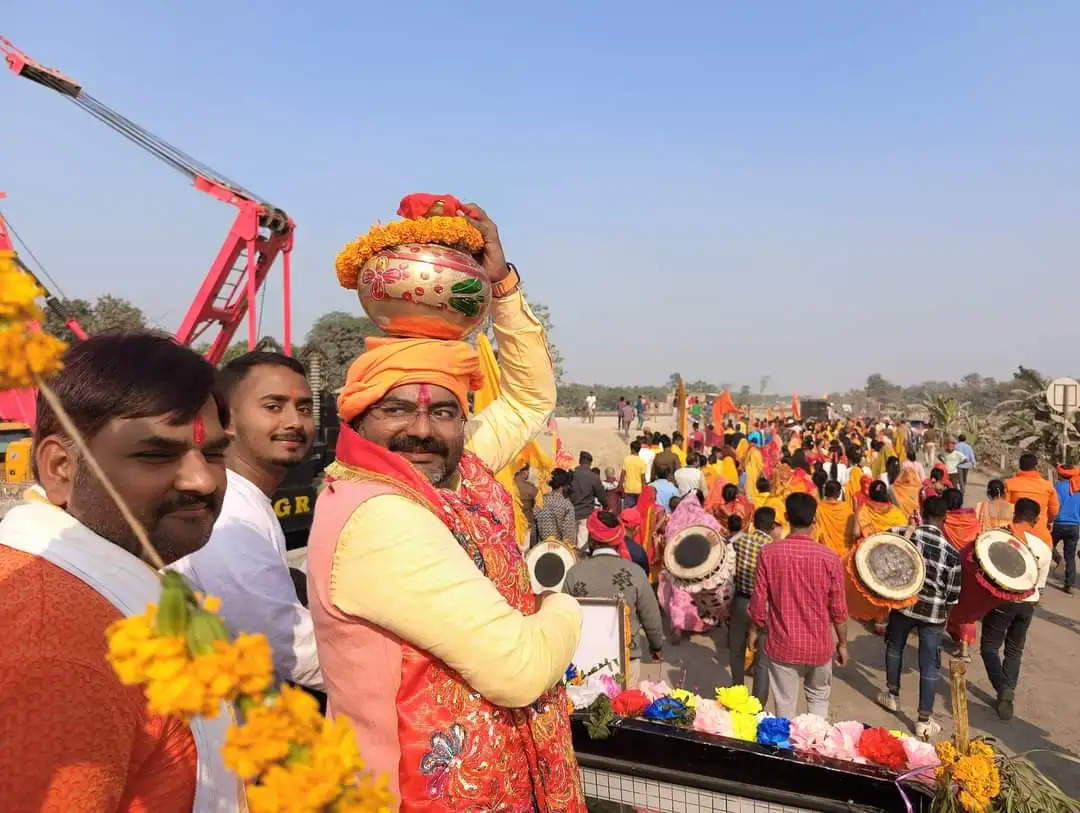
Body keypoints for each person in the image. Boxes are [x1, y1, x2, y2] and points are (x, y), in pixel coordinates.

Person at [305, 207, 585, 809]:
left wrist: (502, 287)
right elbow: (517, 667)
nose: (421, 430)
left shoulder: (455, 470)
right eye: (397, 409)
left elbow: (531, 397)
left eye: (443, 412)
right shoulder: (378, 513)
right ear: (356, 417)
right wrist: (562, 606)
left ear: (462, 420)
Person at [0, 332, 243, 811]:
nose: (202, 480)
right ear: (60, 467)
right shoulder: (59, 651)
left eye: (213, 454)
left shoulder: (98, 592)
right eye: (155, 455)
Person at [172, 351, 322, 690]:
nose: (294, 422)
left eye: (304, 408)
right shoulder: (230, 511)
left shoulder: (246, 499)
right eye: (273, 407)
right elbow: (288, 647)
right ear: (226, 421)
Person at [748, 493, 848, 719]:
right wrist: (842, 644)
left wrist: (754, 630)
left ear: (785, 517)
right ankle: (814, 749)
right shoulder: (830, 558)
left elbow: (758, 601)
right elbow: (839, 610)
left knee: (784, 706)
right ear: (815, 521)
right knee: (819, 700)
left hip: (783, 644)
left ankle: (787, 752)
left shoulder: (769, 553)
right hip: (820, 646)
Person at [876, 496, 960, 739]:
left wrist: (910, 526)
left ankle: (892, 695)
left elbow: (883, 544)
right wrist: (944, 621)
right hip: (934, 614)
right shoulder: (951, 553)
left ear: (922, 512)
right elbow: (952, 595)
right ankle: (923, 719)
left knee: (895, 647)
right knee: (929, 665)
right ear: (945, 519)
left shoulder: (906, 533)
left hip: (905, 603)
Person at [565, 511, 664, 684]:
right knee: (624, 708)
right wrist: (656, 647)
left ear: (591, 539)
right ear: (618, 540)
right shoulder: (635, 573)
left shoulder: (575, 573)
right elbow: (651, 616)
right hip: (626, 659)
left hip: (583, 660)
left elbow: (562, 616)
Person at [980, 498, 1053, 719]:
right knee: (1014, 649)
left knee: (990, 647)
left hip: (1004, 599)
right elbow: (1039, 585)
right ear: (1037, 519)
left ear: (1014, 514)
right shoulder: (1044, 548)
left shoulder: (1001, 536)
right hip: (1029, 602)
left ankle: (1003, 689)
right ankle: (1008, 689)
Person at [728, 507, 778, 704]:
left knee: (736, 650)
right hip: (764, 605)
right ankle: (758, 705)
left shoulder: (740, 541)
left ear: (754, 522)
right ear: (772, 525)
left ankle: (736, 696)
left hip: (741, 601)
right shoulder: (774, 547)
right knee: (762, 660)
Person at [1005, 453, 1059, 543]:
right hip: (1040, 533)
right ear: (1036, 467)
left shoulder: (1009, 484)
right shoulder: (1048, 486)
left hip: (1015, 534)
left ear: (1020, 467)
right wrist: (1048, 522)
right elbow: (1054, 511)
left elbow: (1004, 510)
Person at [569, 450, 608, 549]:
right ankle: (581, 563)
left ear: (579, 461)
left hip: (571, 512)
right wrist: (606, 506)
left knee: (570, 542)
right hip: (586, 514)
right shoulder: (594, 477)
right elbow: (601, 495)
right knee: (582, 543)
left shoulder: (571, 475)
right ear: (590, 463)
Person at [1051, 465, 1080, 594]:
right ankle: (1069, 584)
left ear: (1060, 475)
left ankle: (1058, 559)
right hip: (1074, 526)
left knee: (1047, 546)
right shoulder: (1078, 489)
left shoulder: (1058, 487)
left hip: (1059, 523)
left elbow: (1054, 506)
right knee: (1071, 556)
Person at [535, 468, 578, 545]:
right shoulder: (566, 505)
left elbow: (534, 531)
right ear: (564, 486)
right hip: (560, 550)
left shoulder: (540, 502)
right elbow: (568, 534)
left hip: (542, 548)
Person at [816, 480, 855, 556]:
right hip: (845, 550)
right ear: (839, 493)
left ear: (825, 491)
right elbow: (851, 528)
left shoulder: (818, 508)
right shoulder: (846, 507)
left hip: (826, 551)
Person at [516, 463, 539, 546]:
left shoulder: (509, 483)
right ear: (525, 472)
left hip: (513, 524)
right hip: (526, 522)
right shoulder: (529, 487)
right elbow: (538, 500)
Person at [620, 439, 647, 508]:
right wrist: (644, 491)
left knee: (628, 511)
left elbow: (623, 474)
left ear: (632, 449)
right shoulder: (642, 461)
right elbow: (643, 479)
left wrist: (620, 486)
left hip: (628, 489)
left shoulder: (627, 459)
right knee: (638, 510)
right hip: (639, 490)